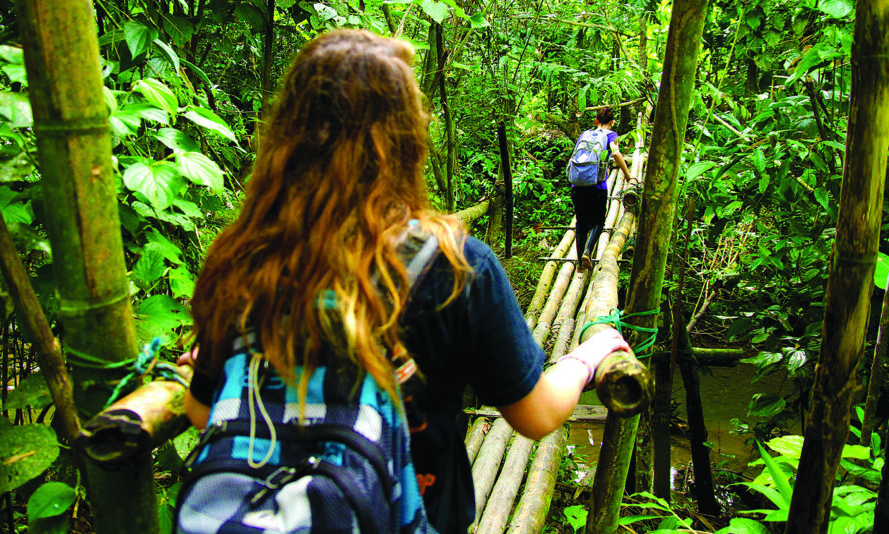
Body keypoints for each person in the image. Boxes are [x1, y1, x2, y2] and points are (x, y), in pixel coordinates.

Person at [180, 29, 631, 534]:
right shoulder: (456, 266)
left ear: (289, 131)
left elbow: (203, 410)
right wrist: (586, 357)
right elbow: (536, 415)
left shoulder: (243, 258)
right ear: (408, 138)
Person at [569, 106, 635, 270]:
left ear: (596, 121)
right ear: (611, 123)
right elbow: (617, 154)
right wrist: (628, 176)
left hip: (577, 185)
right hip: (597, 186)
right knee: (598, 221)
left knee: (581, 223)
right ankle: (588, 251)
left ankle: (579, 263)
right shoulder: (611, 135)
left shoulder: (584, 134)